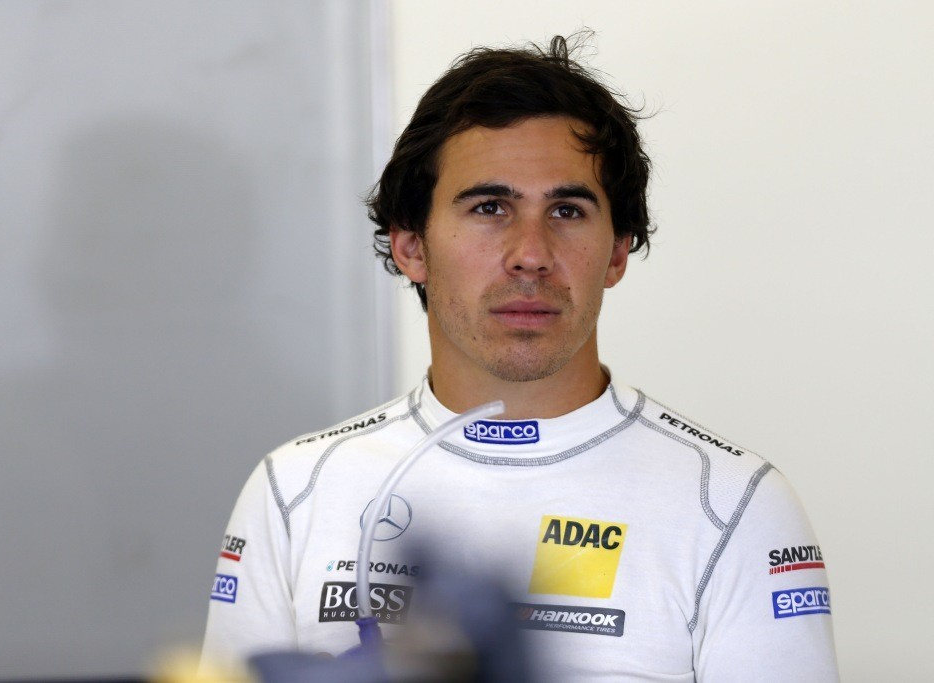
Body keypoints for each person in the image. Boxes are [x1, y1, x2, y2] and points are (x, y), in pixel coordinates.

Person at [200, 36, 838, 681]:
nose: (530, 254)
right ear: (412, 247)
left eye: (567, 210)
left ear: (617, 252)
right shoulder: (297, 489)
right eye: (490, 207)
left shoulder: (732, 505)